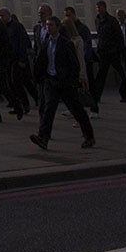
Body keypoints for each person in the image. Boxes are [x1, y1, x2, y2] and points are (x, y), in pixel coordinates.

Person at [30, 15, 95, 151]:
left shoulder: (66, 43)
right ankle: (43, 138)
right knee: (48, 110)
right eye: (47, 25)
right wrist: (39, 78)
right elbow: (40, 62)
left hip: (65, 83)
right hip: (51, 81)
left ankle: (89, 136)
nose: (48, 27)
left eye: (51, 25)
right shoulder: (46, 43)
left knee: (76, 110)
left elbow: (74, 64)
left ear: (58, 27)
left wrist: (72, 81)